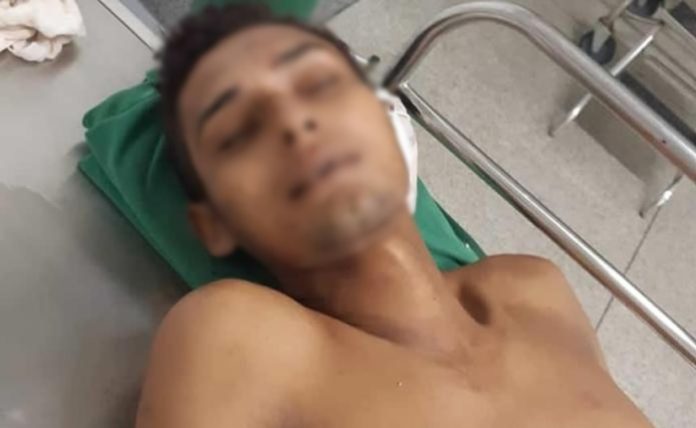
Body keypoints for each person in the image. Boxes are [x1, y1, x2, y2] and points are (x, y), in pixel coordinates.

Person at [135, 5, 653, 427]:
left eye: (320, 87)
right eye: (242, 131)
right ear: (215, 224)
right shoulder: (245, 343)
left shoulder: (535, 290)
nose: (297, 124)